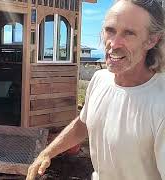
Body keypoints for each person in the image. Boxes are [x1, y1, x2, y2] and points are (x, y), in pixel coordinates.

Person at [26, 0, 165, 179]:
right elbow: (84, 124)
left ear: (152, 40)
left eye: (129, 33)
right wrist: (46, 154)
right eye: (110, 30)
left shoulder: (160, 102)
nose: (114, 44)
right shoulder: (101, 79)